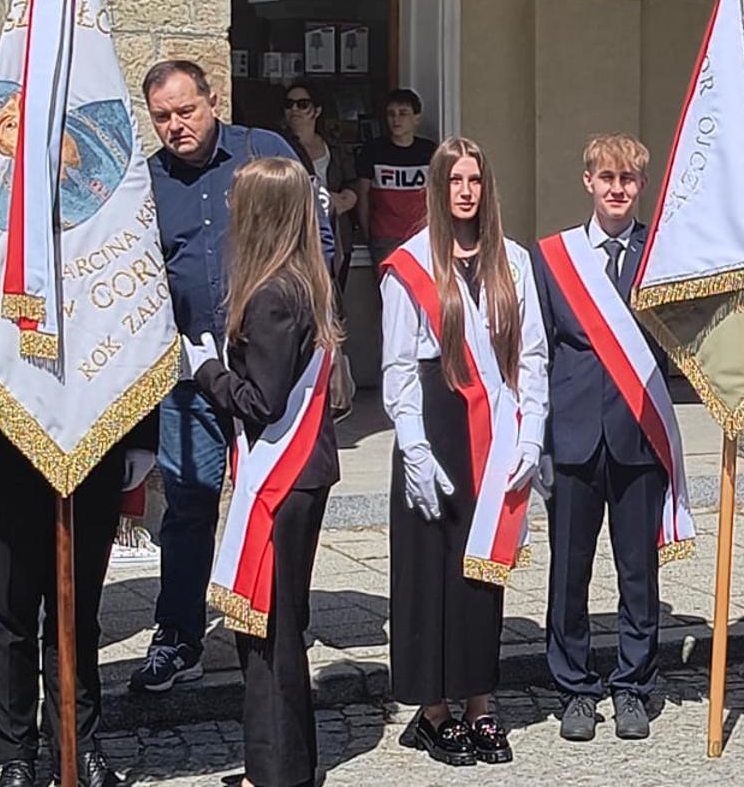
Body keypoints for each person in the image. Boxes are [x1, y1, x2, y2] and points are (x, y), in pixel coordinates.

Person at [136, 59, 334, 694]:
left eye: (185, 110)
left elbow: (318, 239)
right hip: (192, 373)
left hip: (268, 368)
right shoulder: (149, 183)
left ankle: (277, 623)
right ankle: (179, 635)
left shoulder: (263, 153)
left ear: (212, 99)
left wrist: (312, 327)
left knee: (277, 500)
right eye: (162, 116)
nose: (175, 125)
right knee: (189, 504)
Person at [381, 137, 547, 767]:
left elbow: (532, 357)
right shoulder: (411, 264)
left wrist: (531, 433)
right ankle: (432, 712)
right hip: (434, 424)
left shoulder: (515, 262)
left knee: (482, 575)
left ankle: (478, 703)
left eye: (476, 179)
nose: (467, 191)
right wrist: (415, 448)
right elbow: (396, 369)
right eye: (455, 180)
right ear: (439, 187)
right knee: (429, 573)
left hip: (495, 427)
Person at [531, 134, 695, 742]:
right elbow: (537, 352)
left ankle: (633, 686)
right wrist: (537, 441)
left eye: (628, 180)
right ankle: (575, 687)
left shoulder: (664, 254)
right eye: (607, 178)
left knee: (637, 572)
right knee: (568, 573)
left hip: (637, 436)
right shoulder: (553, 259)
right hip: (572, 438)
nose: (617, 189)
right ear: (588, 182)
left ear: (641, 186)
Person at [186, 157, 342, 787]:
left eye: (237, 199)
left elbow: (262, 402)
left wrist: (204, 370)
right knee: (275, 625)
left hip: (287, 474)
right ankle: (283, 765)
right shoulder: (299, 280)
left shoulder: (273, 294)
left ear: (259, 214)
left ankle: (275, 774)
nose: (227, 208)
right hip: (300, 471)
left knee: (270, 629)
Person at [0, 367, 154, 787]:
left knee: (76, 608)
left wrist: (140, 433)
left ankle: (78, 742)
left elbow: (135, 320)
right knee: (8, 606)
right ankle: (15, 753)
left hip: (92, 428)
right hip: (4, 431)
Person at [280, 82, 360, 420]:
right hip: (301, 240)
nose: (296, 110)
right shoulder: (281, 147)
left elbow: (355, 183)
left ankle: (337, 385)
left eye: (303, 103)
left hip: (336, 237)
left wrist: (347, 199)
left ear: (317, 110)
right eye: (291, 104)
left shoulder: (335, 148)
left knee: (334, 304)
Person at [357, 89, 440, 265]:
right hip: (384, 238)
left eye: (403, 113)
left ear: (416, 118)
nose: (396, 119)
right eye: (391, 114)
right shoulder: (373, 150)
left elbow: (439, 197)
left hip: (422, 236)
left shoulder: (430, 151)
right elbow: (363, 195)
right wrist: (368, 234)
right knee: (389, 289)